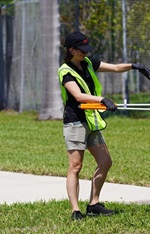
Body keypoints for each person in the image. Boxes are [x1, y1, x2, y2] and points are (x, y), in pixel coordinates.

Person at [57, 31, 145, 220]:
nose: (85, 54)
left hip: (91, 121)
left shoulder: (87, 63)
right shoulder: (65, 71)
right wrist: (102, 99)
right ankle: (75, 210)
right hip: (75, 122)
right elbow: (79, 96)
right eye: (81, 50)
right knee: (75, 166)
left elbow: (114, 68)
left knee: (105, 162)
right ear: (71, 50)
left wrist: (133, 66)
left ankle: (93, 204)